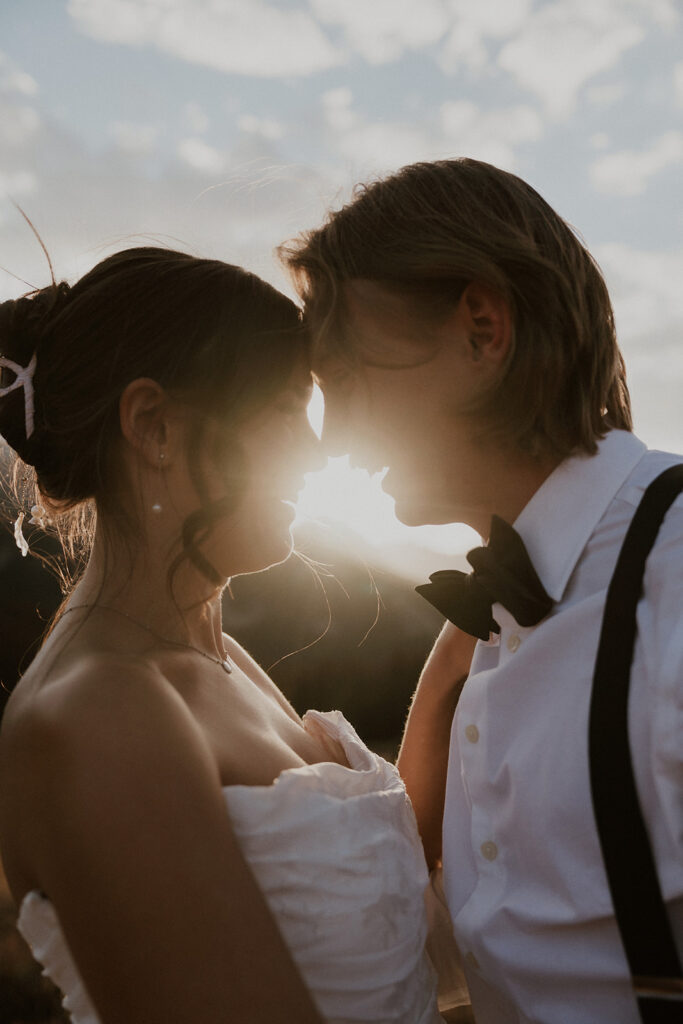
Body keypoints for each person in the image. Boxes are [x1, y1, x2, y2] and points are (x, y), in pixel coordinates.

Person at [280, 158, 683, 1024]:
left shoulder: (676, 572)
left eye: (345, 378)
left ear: (482, 328)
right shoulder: (487, 626)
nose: (331, 441)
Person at [0, 246, 447, 1024]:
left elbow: (373, 940)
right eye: (281, 411)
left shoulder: (215, 654)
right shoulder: (98, 711)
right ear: (154, 426)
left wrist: (461, 660)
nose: (314, 452)